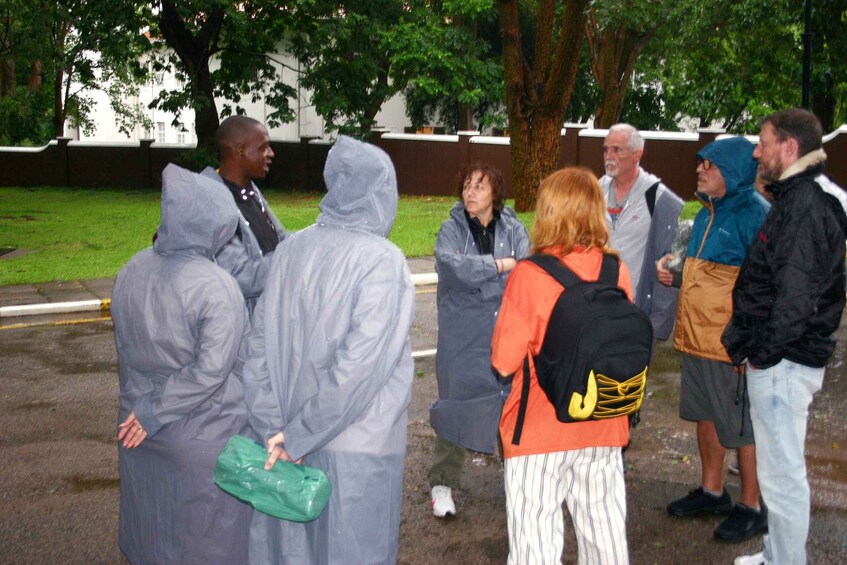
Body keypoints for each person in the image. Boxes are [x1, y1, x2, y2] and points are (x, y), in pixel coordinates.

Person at [241, 136, 415, 564]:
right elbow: (360, 369)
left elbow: (256, 350)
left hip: (283, 437)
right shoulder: (382, 261)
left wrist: (274, 431)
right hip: (354, 447)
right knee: (351, 550)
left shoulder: (290, 250)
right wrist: (296, 435)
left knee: (293, 552)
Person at [724, 109, 847, 565]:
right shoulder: (801, 198)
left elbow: (796, 300)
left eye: (763, 142)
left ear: (789, 148)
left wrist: (761, 354)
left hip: (783, 363)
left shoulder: (806, 205)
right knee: (779, 471)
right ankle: (777, 553)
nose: (757, 151)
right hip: (783, 359)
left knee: (782, 476)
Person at [113, 164, 252, 564]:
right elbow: (213, 370)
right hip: (202, 437)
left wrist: (147, 410)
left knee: (153, 530)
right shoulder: (216, 284)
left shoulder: (131, 269)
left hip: (137, 429)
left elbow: (128, 350)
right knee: (205, 541)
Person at [491, 167, 631, 564]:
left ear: (548, 211)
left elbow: (503, 363)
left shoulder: (530, 274)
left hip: (538, 432)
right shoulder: (615, 270)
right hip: (603, 425)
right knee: (606, 544)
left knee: (535, 549)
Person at [658, 137, 770, 543]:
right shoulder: (706, 214)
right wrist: (679, 271)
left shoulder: (755, 215)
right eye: (701, 163)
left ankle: (753, 506)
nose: (700, 169)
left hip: (730, 346)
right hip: (697, 341)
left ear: (735, 172)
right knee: (706, 417)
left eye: (710, 165)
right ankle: (712, 491)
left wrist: (751, 344)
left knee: (741, 427)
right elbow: (710, 273)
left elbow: (763, 286)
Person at [428, 163, 530, 518]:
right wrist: (501, 266)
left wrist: (480, 274)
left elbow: (527, 272)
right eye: (466, 185)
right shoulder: (450, 230)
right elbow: (453, 270)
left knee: (511, 404)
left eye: (479, 187)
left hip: (504, 332)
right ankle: (442, 482)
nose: (470, 192)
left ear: (495, 194)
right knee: (456, 401)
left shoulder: (515, 228)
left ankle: (517, 480)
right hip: (462, 335)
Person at [600, 123, 683, 341]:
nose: (609, 156)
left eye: (617, 150)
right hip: (596, 306)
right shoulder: (595, 190)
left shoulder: (660, 198)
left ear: (638, 154)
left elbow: (669, 264)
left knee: (629, 375)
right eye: (606, 149)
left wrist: (657, 324)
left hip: (634, 309)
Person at [200, 115, 285, 312]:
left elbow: (280, 239)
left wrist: (313, 242)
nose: (271, 153)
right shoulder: (210, 202)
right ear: (240, 151)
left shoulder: (250, 191)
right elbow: (240, 276)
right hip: (243, 327)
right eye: (263, 147)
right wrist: (293, 260)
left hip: (267, 316)